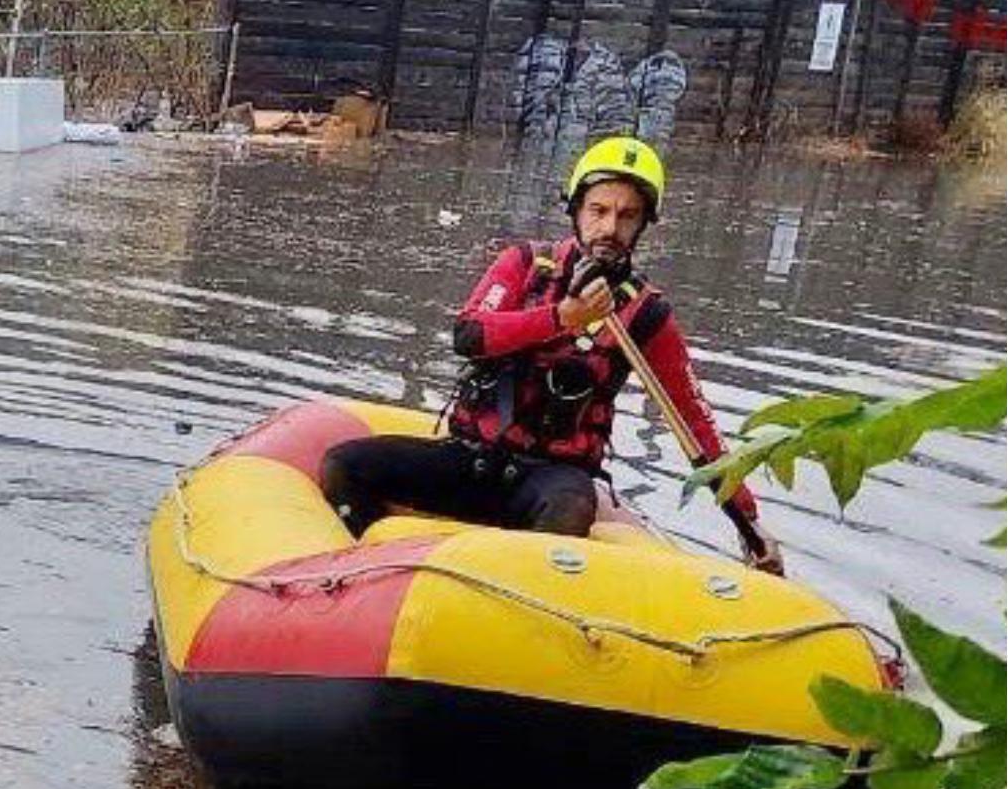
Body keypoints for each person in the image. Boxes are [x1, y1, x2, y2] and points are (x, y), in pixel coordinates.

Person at [320, 136, 778, 572]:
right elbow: (470, 334)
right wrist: (563, 317)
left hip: (553, 476)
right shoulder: (524, 265)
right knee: (345, 465)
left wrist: (750, 525)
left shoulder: (646, 315)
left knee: (569, 508)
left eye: (626, 216)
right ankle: (357, 582)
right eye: (598, 210)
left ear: (643, 224)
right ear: (576, 209)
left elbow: (696, 429)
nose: (609, 229)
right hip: (472, 457)